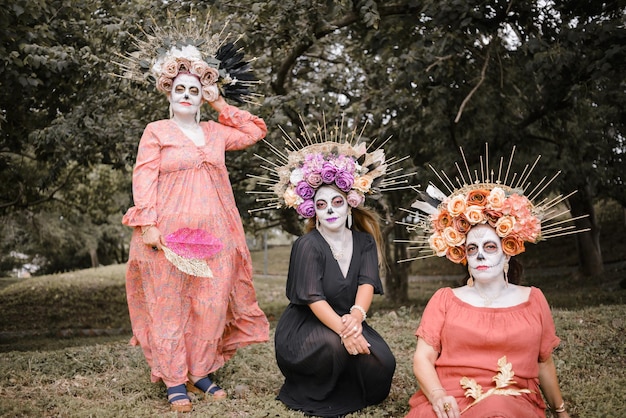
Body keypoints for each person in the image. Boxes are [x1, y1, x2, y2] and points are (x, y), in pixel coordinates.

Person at [119, 20, 270, 412]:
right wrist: (148, 224)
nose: (187, 95)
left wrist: (220, 103)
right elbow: (144, 176)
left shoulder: (216, 133)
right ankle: (174, 380)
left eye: (195, 90)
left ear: (202, 96)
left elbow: (255, 131)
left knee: (210, 304)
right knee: (169, 303)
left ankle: (200, 371)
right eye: (180, 89)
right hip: (167, 236)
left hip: (216, 234)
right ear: (168, 93)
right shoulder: (156, 131)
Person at [402, 147, 575, 418]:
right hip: (451, 400)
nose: (480, 254)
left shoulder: (533, 299)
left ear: (507, 252)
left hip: (510, 400)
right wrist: (437, 396)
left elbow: (544, 363)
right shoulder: (445, 299)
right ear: (464, 257)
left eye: (490, 246)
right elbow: (422, 358)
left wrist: (561, 411)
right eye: (472, 248)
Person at [250, 126, 400, 417]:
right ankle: (312, 392)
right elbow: (314, 299)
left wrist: (355, 320)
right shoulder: (308, 246)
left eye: (336, 202)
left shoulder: (364, 241)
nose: (330, 210)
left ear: (349, 206)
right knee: (335, 348)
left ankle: (349, 375)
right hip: (305, 328)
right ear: (313, 210)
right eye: (321, 205)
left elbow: (367, 283)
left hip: (347, 318)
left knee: (383, 364)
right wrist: (345, 333)